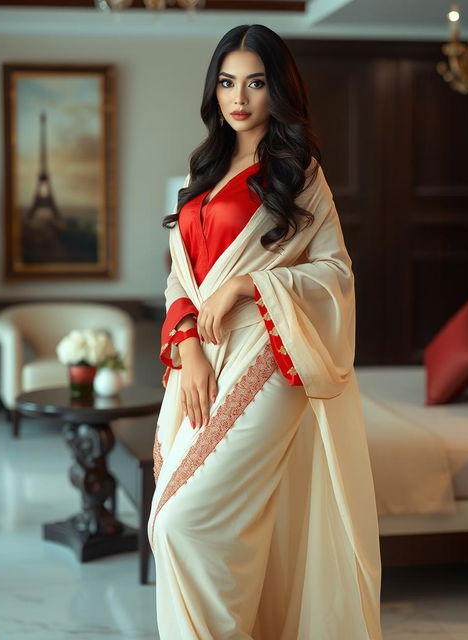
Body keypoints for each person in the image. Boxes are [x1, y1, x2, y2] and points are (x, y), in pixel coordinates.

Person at [148, 23, 383, 640]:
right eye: (227, 82)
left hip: (271, 355)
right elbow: (178, 282)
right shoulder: (202, 172)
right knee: (189, 524)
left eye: (255, 82)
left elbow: (335, 272)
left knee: (184, 521)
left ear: (277, 89)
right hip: (201, 363)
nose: (239, 98)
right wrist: (190, 348)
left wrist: (248, 286)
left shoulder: (297, 173)